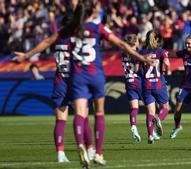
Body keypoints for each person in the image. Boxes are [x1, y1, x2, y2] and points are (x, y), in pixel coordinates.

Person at [15, 1, 154, 167]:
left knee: (79, 114)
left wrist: (26, 55)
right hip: (95, 74)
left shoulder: (70, 29)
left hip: (76, 76)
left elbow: (46, 42)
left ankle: (80, 144)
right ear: (93, 11)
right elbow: (122, 44)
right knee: (98, 113)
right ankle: (97, 152)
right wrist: (142, 58)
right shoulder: (97, 27)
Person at [13, 14, 96, 163]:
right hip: (76, 82)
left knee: (60, 121)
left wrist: (26, 55)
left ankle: (60, 154)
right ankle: (89, 149)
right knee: (83, 118)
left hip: (60, 82)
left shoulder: (56, 40)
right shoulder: (77, 41)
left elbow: (44, 43)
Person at [139, 30, 171, 144]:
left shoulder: (142, 52)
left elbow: (137, 69)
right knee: (165, 107)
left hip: (146, 85)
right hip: (158, 83)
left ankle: (150, 136)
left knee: (150, 112)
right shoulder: (161, 51)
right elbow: (167, 64)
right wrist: (167, 71)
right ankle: (159, 119)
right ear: (157, 39)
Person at [121, 34, 142, 142]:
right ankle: (152, 133)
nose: (139, 42)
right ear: (134, 43)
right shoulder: (136, 54)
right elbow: (137, 69)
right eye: (138, 41)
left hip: (128, 82)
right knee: (151, 105)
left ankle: (134, 126)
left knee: (134, 108)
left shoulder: (123, 53)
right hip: (138, 82)